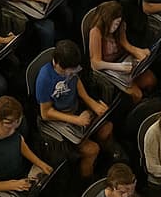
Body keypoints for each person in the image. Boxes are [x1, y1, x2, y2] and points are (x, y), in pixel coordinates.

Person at [35, 39, 113, 177]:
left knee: (107, 128)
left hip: (75, 108)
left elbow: (76, 81)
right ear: (57, 63)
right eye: (68, 71)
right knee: (92, 149)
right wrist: (76, 120)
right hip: (59, 119)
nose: (71, 73)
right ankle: (86, 180)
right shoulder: (45, 78)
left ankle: (108, 161)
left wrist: (90, 101)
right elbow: (46, 113)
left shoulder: (72, 66)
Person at [87, 1, 155, 101]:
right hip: (109, 67)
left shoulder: (120, 26)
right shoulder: (96, 32)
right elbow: (95, 63)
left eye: (117, 24)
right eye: (114, 24)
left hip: (125, 60)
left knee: (151, 80)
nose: (116, 27)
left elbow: (125, 44)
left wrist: (139, 52)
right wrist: (120, 67)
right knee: (137, 94)